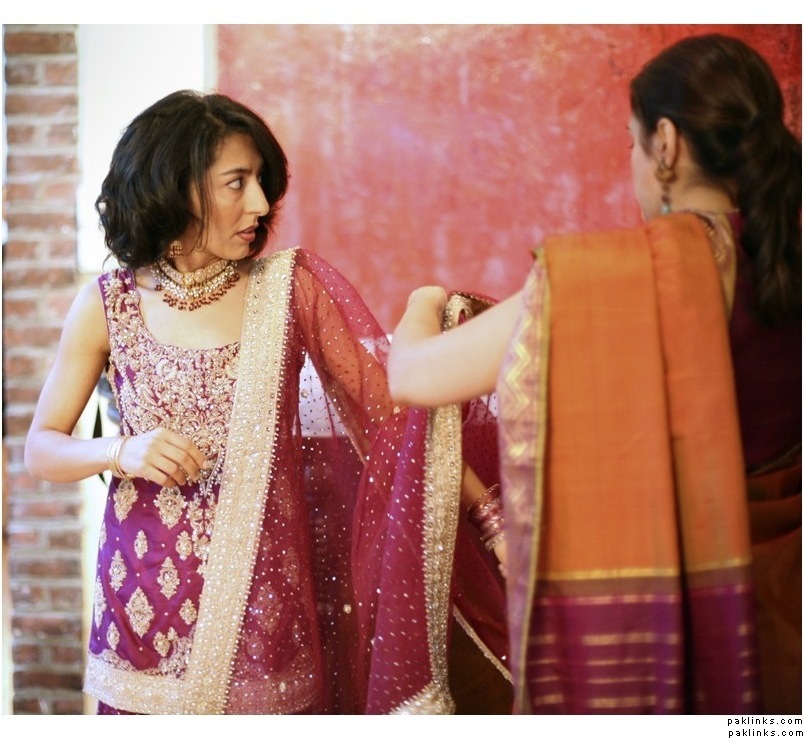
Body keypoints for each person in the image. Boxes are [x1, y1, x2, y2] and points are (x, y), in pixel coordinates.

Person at [24, 90, 510, 714]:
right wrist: (122, 451)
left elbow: (393, 417)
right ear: (177, 187)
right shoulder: (107, 304)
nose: (259, 203)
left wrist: (491, 519)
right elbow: (42, 448)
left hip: (266, 618)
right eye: (237, 183)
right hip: (140, 613)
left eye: (261, 181)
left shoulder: (290, 288)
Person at [388, 34, 801, 715]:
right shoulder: (786, 259)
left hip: (676, 628)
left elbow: (413, 375)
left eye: (632, 144)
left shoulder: (615, 276)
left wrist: (423, 301)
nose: (634, 162)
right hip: (786, 621)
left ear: (666, 144)